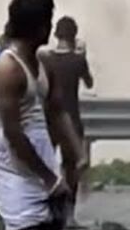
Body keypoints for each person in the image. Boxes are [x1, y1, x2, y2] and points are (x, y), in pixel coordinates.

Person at [0, 0, 87, 230]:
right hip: (15, 164)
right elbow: (13, 135)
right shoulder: (7, 70)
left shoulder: (44, 64)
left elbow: (57, 111)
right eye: (48, 21)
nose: (52, 29)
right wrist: (50, 179)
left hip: (42, 154)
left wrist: (77, 153)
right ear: (37, 26)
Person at [39, 17, 94, 160]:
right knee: (71, 169)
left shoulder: (46, 60)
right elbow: (89, 83)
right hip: (72, 118)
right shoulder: (78, 60)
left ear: (56, 35)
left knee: (46, 169)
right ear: (74, 36)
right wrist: (83, 55)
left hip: (49, 120)